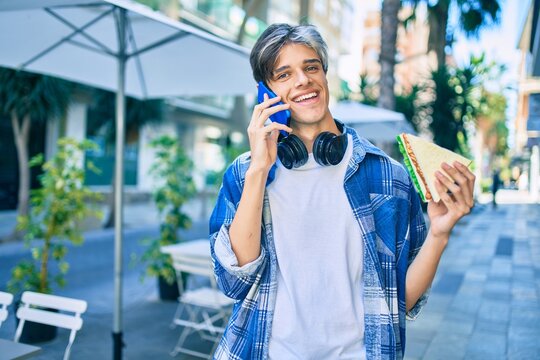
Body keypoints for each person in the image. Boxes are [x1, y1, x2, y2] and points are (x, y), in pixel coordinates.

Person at [209, 23, 475, 360]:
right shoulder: (245, 174)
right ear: (266, 91)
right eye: (284, 74)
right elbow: (234, 282)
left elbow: (401, 300)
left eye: (311, 67)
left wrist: (439, 234)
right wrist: (259, 170)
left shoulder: (388, 176)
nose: (303, 80)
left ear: (324, 74)